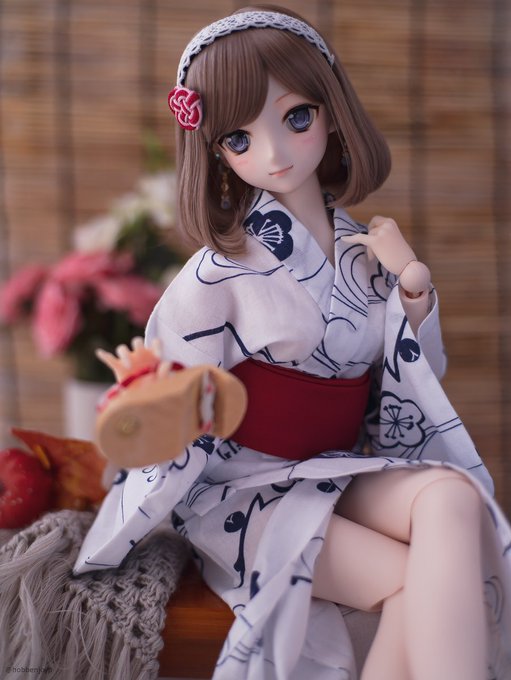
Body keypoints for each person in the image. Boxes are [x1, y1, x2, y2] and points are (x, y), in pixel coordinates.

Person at [75, 6, 511, 679]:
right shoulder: (215, 273)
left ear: (331, 113)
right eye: (239, 138)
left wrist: (412, 285)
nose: (274, 153)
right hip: (245, 491)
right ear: (215, 150)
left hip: (338, 467)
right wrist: (153, 410)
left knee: (454, 497)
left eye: (296, 117)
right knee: (408, 580)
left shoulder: (365, 251)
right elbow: (169, 396)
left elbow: (411, 378)